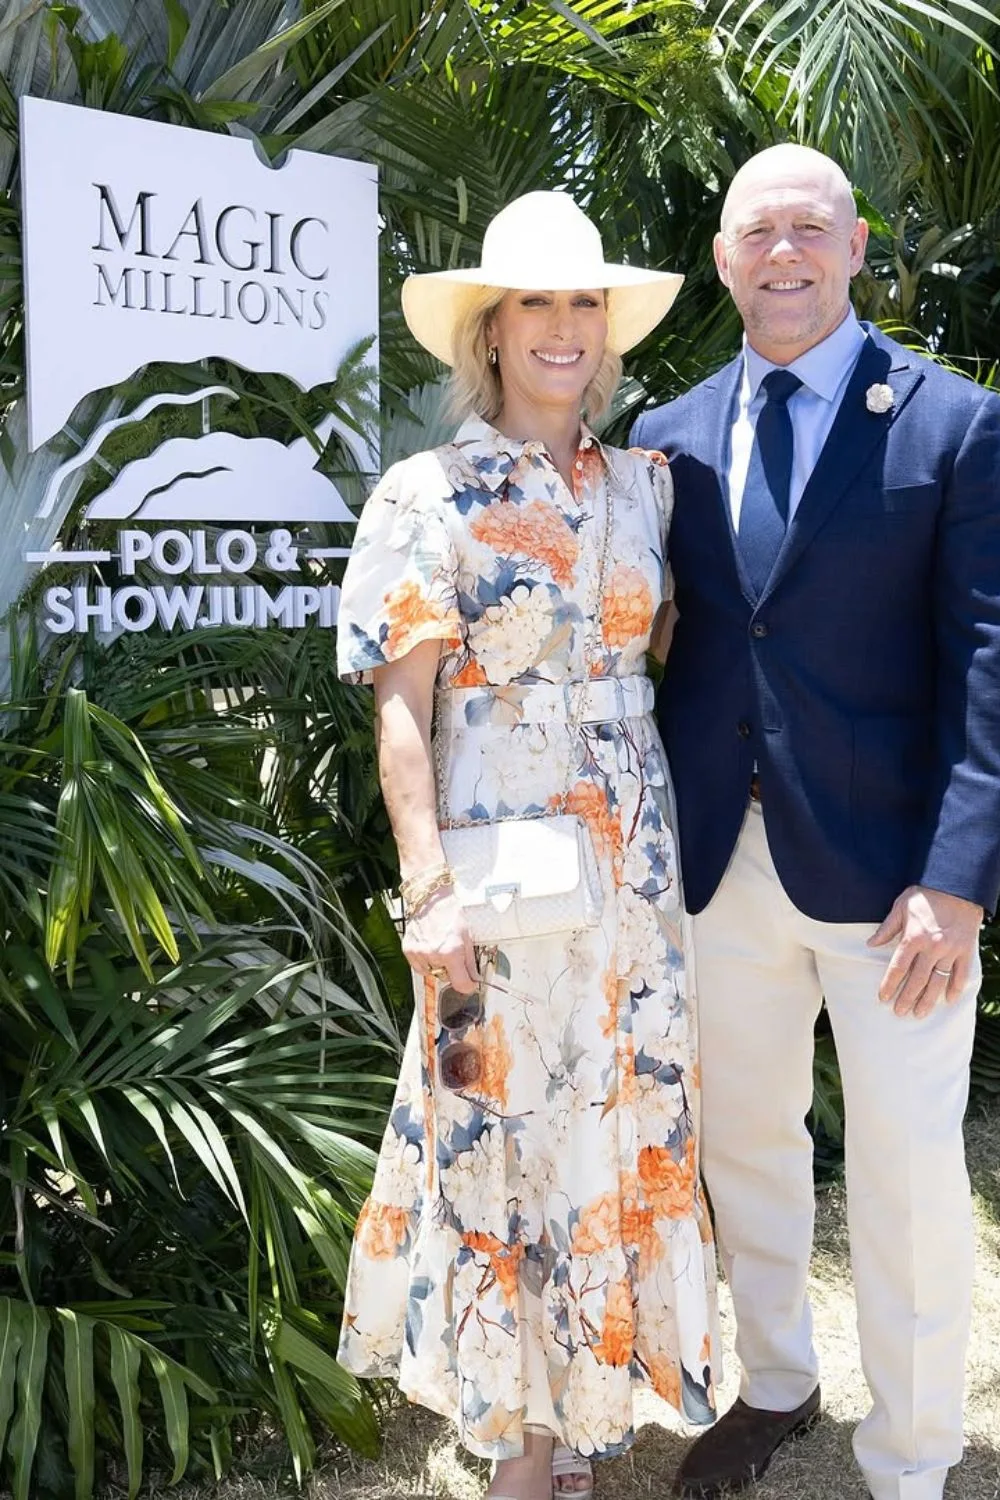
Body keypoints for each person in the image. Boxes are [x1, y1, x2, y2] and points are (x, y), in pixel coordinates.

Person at [335, 191, 719, 1500]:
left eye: (583, 303)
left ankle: (580, 1436)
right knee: (501, 1139)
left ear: (605, 330)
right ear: (489, 334)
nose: (563, 328)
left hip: (634, 881)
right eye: (535, 305)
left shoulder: (646, 490)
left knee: (607, 1139)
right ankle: (523, 1445)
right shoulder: (427, 493)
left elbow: (687, 648)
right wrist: (425, 887)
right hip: (496, 880)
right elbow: (403, 709)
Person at [630, 142, 1000, 1500]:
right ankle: (776, 1381)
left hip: (895, 883)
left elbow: (989, 655)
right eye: (754, 234)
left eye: (808, 230)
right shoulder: (664, 441)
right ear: (723, 261)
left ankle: (910, 1458)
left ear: (854, 248)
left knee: (906, 1176)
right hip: (718, 865)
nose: (780, 255)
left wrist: (958, 878)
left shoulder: (953, 425)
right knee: (747, 1145)